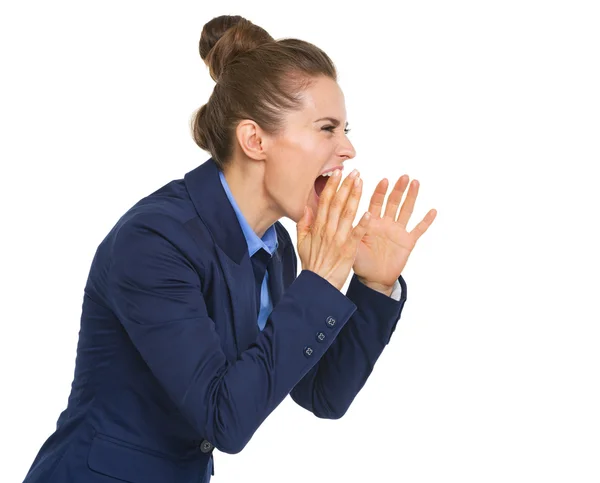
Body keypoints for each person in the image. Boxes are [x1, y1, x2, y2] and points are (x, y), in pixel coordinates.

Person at [22, 14, 437, 483]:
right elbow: (225, 420)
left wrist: (373, 285)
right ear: (255, 139)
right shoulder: (154, 240)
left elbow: (323, 394)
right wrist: (318, 283)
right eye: (327, 128)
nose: (348, 149)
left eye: (346, 129)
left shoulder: (273, 246)